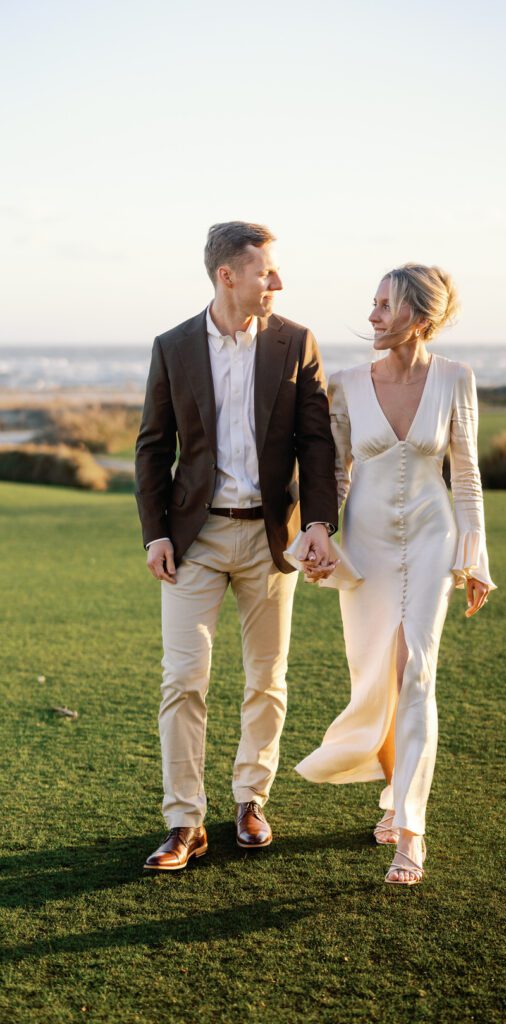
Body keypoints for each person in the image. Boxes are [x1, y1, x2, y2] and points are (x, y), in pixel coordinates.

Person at [135, 221, 338, 870]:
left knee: (265, 679)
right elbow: (152, 447)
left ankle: (250, 801)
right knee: (182, 681)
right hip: (194, 538)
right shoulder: (172, 346)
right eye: (264, 272)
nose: (276, 282)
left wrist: (318, 523)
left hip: (271, 539)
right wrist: (156, 532)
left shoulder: (296, 342)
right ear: (228, 276)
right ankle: (183, 823)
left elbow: (317, 441)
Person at [295, 263, 497, 886]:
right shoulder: (348, 384)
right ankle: (391, 790)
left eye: (385, 305)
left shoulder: (457, 380)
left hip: (434, 541)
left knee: (415, 671)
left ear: (420, 317)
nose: (373, 315)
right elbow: (336, 474)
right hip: (369, 545)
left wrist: (475, 558)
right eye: (374, 303)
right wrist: (319, 535)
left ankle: (410, 830)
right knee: (376, 676)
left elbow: (465, 476)